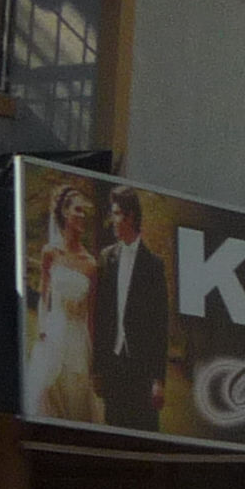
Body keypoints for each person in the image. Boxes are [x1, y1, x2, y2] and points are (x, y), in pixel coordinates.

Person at [92, 186, 170, 433]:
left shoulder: (154, 266)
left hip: (142, 371)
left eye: (116, 213)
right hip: (113, 366)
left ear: (131, 216)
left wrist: (158, 381)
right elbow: (101, 317)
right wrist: (97, 369)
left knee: (144, 433)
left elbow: (160, 326)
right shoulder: (106, 258)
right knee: (113, 432)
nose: (112, 220)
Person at [24, 184, 100, 423]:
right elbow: (44, 298)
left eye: (84, 211)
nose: (82, 215)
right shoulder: (50, 253)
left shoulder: (90, 264)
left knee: (75, 401)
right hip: (53, 332)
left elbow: (91, 315)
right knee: (44, 396)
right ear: (65, 213)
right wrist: (43, 330)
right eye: (77, 210)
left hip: (77, 341)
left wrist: (93, 357)